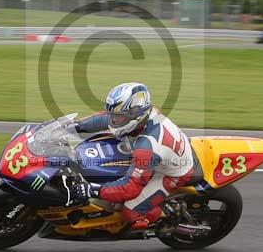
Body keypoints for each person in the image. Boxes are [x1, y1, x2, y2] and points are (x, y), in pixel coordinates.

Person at [67, 82, 195, 230]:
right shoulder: (144, 114)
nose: (113, 121)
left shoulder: (147, 146)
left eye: (118, 117)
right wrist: (75, 126)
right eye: (113, 115)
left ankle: (170, 211)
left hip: (170, 173)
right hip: (162, 154)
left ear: (135, 116)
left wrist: (93, 190)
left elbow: (130, 188)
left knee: (130, 212)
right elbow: (104, 119)